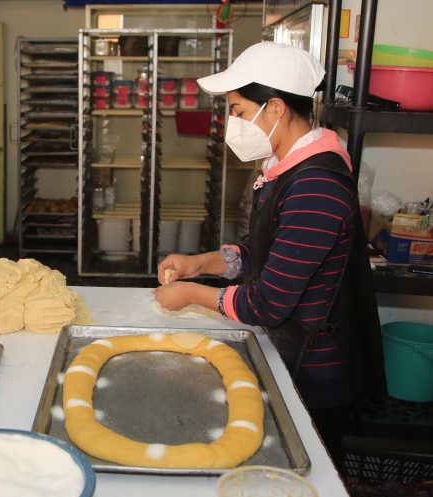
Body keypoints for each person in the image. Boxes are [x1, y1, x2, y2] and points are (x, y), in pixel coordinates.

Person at [154, 42, 387, 463]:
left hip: (311, 373)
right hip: (288, 354)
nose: (233, 123)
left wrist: (193, 295)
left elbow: (268, 303)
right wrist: (201, 264)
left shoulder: (316, 186)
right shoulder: (291, 167)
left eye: (240, 111)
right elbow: (264, 250)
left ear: (275, 108)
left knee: (299, 482)